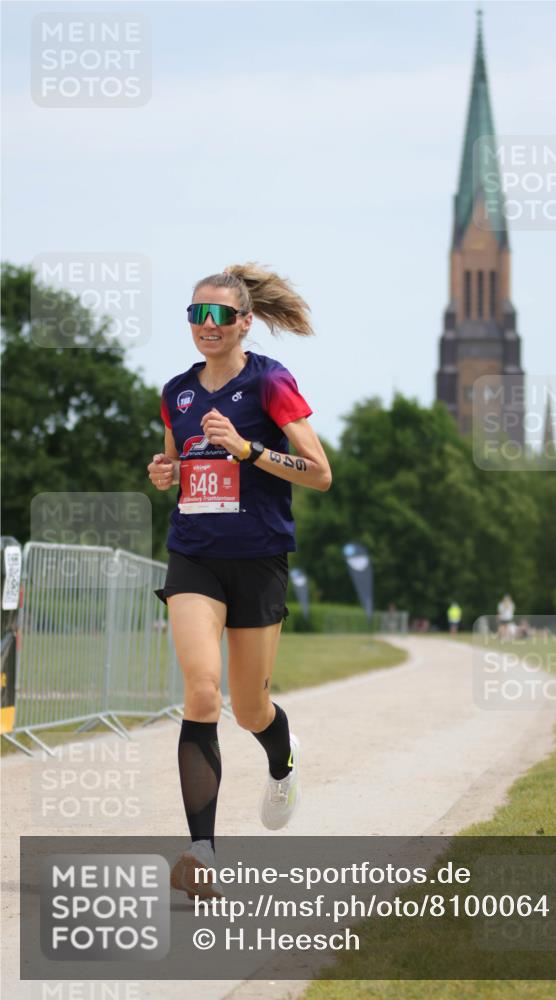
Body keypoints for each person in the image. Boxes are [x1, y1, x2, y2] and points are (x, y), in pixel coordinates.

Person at [147, 263, 332, 899]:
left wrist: (249, 451)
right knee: (202, 694)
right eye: (196, 314)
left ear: (245, 321)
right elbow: (178, 457)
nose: (207, 325)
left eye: (220, 315)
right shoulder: (176, 391)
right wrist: (167, 471)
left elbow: (318, 472)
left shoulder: (270, 383)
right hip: (194, 554)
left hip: (257, 556)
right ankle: (201, 855)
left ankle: (282, 758)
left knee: (250, 706)